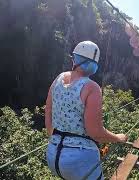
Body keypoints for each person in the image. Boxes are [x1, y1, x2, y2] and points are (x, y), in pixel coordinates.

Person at [45, 41, 128, 180]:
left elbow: (48, 110)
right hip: (79, 161)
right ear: (94, 65)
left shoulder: (58, 79)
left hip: (53, 156)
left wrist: (52, 136)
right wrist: (118, 138)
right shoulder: (91, 87)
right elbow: (95, 133)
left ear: (74, 59)